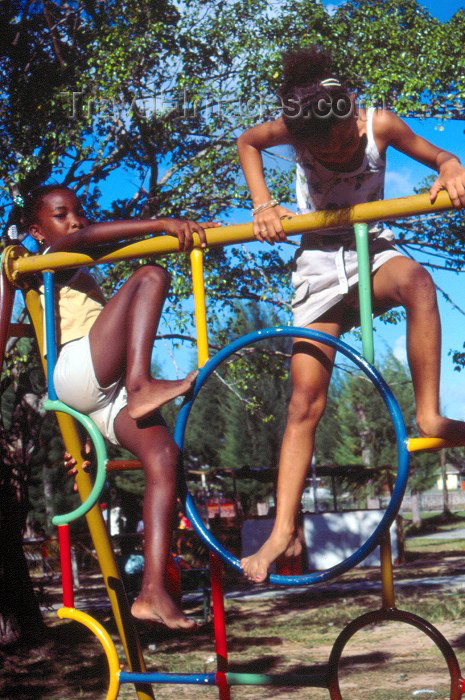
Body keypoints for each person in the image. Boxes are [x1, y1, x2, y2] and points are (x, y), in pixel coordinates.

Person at [236, 46, 465, 583]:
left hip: (372, 246)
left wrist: (452, 166)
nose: (336, 153)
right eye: (322, 149)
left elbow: (439, 159)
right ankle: (283, 530)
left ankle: (429, 414)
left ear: (352, 110)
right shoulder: (296, 129)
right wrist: (263, 202)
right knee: (303, 402)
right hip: (316, 255)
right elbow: (247, 141)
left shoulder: (379, 124)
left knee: (417, 280)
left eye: (342, 140)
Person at [24, 183, 218, 627]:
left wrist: (174, 234)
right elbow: (83, 239)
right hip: (76, 368)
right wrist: (165, 225)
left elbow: (94, 241)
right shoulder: (42, 261)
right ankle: (141, 382)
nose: (74, 220)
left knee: (164, 456)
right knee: (150, 276)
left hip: (100, 391)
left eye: (79, 212)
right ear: (38, 230)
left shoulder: (74, 263)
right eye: (61, 214)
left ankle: (152, 591)